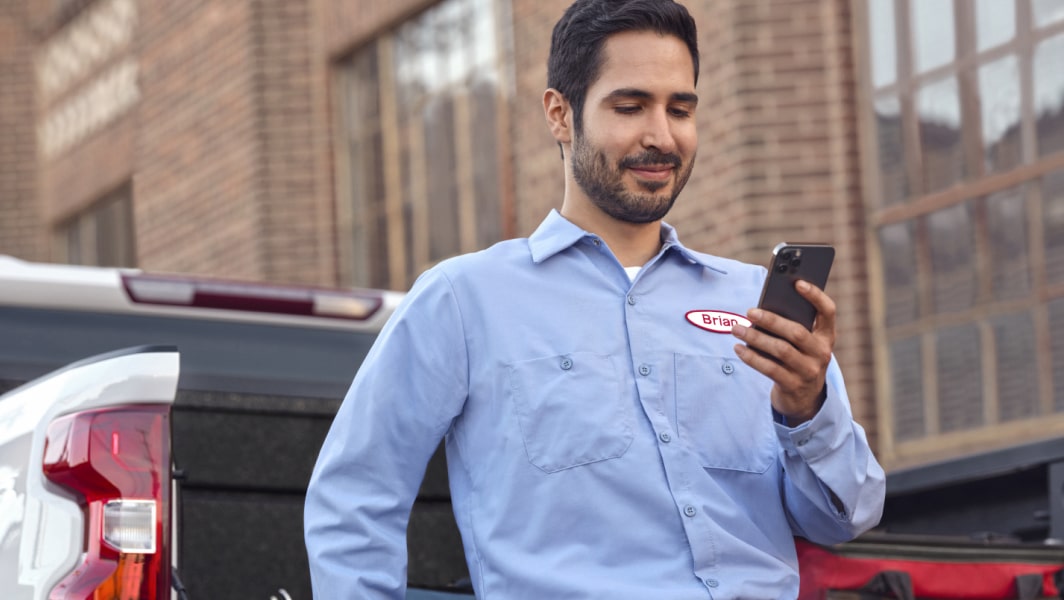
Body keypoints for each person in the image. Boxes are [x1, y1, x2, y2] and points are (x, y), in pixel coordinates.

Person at [304, 0, 885, 597]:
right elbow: (355, 499)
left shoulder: (752, 303)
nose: (661, 136)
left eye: (680, 109)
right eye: (630, 107)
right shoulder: (463, 300)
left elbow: (846, 518)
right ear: (560, 114)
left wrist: (808, 408)